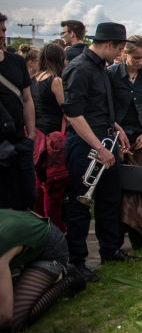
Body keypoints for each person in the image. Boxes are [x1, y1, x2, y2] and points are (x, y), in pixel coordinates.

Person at [62, 22, 139, 282]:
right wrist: (98, 146)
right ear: (108, 44)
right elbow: (73, 114)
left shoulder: (100, 67)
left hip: (105, 141)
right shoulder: (79, 69)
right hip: (86, 146)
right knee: (81, 204)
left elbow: (99, 109)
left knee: (109, 200)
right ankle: (77, 261)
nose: (119, 55)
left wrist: (116, 129)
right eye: (118, 49)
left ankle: (110, 249)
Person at [108, 36, 142, 251]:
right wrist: (116, 135)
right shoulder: (111, 75)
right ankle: (116, 240)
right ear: (124, 54)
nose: (140, 62)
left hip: (140, 137)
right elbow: (106, 107)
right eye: (136, 58)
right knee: (119, 192)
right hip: (116, 137)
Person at [0, 209, 86, 332]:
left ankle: (69, 276)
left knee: (14, 321)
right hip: (21, 245)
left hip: (49, 249)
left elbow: (4, 315)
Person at [0, 14, 36, 211]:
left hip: (20, 140)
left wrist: (30, 134)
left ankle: (23, 241)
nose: (1, 34)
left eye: (4, 30)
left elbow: (27, 98)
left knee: (27, 196)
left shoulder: (16, 62)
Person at [31, 43, 69, 231]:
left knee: (39, 184)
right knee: (53, 186)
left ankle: (37, 223)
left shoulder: (33, 79)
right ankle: (54, 227)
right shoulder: (55, 81)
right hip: (53, 137)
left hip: (36, 136)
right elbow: (66, 108)